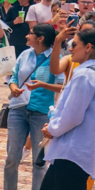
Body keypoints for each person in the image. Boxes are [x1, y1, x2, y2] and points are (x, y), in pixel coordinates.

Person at [40, 28, 95, 190]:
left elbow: (72, 116)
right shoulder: (94, 74)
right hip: (78, 151)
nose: (70, 49)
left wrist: (52, 129)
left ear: (88, 47)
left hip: (72, 152)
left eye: (75, 44)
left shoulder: (85, 76)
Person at [4, 24, 63, 190]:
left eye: (30, 33)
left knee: (39, 162)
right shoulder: (24, 55)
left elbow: (63, 86)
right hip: (18, 110)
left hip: (41, 113)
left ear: (40, 38)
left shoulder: (55, 58)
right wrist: (13, 87)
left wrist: (43, 85)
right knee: (11, 159)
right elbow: (14, 77)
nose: (26, 36)